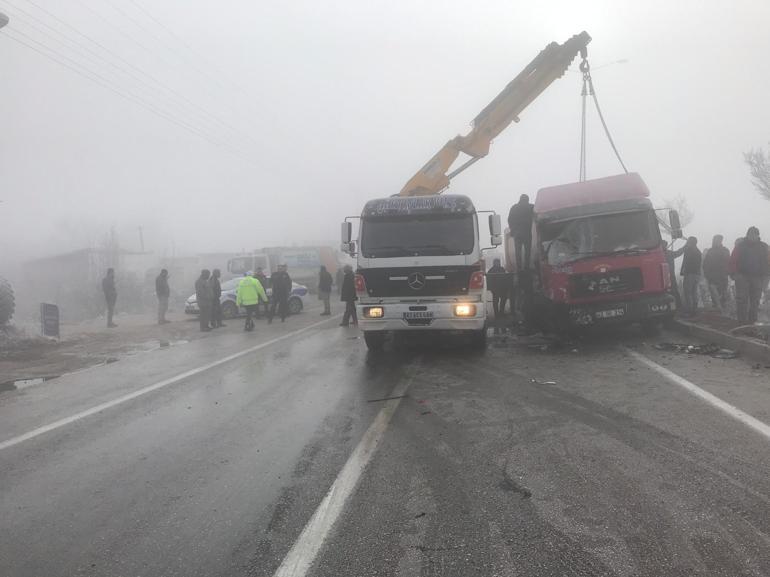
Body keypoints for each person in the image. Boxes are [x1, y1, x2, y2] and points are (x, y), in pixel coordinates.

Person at [730, 226, 769, 324]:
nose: (753, 236)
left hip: (758, 277)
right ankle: (742, 321)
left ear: (758, 235)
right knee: (742, 299)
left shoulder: (764, 247)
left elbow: (768, 262)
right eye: (751, 234)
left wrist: (766, 276)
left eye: (755, 234)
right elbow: (733, 259)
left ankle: (752, 322)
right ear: (747, 235)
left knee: (755, 301)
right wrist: (733, 273)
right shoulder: (740, 245)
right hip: (742, 276)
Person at [702, 234, 730, 312]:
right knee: (714, 296)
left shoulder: (725, 250)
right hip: (713, 277)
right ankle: (717, 311)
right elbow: (706, 264)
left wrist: (727, 272)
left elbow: (728, 262)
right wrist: (707, 275)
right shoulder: (711, 251)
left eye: (718, 240)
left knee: (722, 295)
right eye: (716, 240)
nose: (716, 241)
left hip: (722, 277)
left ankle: (723, 312)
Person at [507, 194, 534, 272]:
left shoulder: (514, 207)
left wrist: (513, 229)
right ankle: (526, 267)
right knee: (527, 251)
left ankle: (519, 268)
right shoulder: (530, 207)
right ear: (527, 200)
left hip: (517, 233)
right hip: (527, 232)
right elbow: (537, 213)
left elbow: (509, 219)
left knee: (518, 251)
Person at [679, 236, 702, 317]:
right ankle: (695, 308)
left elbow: (685, 261)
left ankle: (690, 310)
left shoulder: (689, 250)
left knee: (688, 292)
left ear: (690, 242)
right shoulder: (698, 251)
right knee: (694, 291)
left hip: (689, 274)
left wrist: (683, 271)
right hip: (697, 274)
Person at [486, 258, 508, 330]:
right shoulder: (491, 270)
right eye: (496, 262)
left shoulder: (502, 269)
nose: (497, 263)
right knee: (495, 301)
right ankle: (496, 314)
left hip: (502, 288)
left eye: (498, 262)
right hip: (495, 288)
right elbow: (488, 279)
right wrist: (491, 288)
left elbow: (505, 277)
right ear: (494, 263)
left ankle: (501, 312)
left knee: (503, 299)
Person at [662, 240, 683, 310]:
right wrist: (685, 247)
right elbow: (678, 253)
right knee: (674, 291)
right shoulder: (669, 253)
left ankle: (670, 308)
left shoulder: (659, 254)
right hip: (671, 275)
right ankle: (678, 307)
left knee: (666, 293)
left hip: (662, 277)